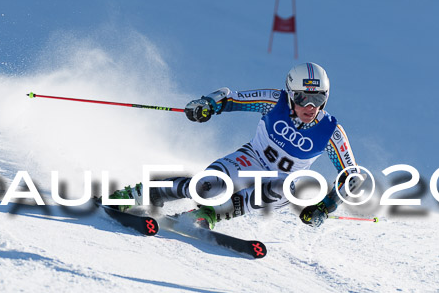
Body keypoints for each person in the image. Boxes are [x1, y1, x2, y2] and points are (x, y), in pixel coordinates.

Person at [110, 62, 363, 230]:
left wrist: (326, 206)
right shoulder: (275, 101)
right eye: (303, 98)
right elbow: (230, 97)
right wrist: (207, 105)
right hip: (251, 159)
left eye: (317, 99)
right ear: (290, 93)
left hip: (282, 184)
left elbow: (351, 178)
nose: (310, 107)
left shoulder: (332, 132)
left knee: (277, 187)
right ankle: (137, 194)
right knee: (207, 186)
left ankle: (208, 215)